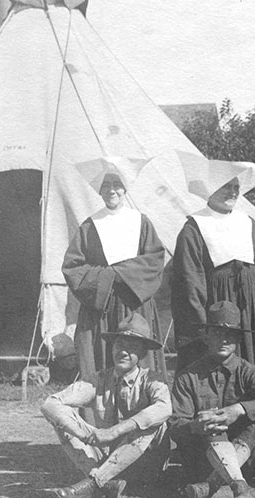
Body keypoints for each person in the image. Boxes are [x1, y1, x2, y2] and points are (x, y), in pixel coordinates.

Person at [171, 151, 255, 376]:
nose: (233, 192)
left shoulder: (248, 222)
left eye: (236, 188)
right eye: (227, 186)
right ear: (211, 188)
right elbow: (190, 280)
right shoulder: (194, 227)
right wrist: (202, 326)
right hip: (219, 303)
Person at [41, 313, 171, 498]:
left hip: (145, 463)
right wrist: (89, 435)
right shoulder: (99, 379)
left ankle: (94, 483)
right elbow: (50, 404)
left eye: (132, 347)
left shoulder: (153, 380)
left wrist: (115, 431)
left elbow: (164, 409)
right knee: (62, 421)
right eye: (119, 345)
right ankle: (108, 484)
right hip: (105, 458)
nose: (123, 352)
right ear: (112, 347)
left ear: (142, 354)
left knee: (151, 422)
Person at [63, 157, 167, 378]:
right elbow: (73, 267)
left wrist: (121, 273)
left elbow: (155, 259)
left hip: (134, 300)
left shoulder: (141, 221)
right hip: (102, 304)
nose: (112, 190)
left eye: (117, 185)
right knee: (103, 357)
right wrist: (106, 277)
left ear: (125, 189)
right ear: (99, 191)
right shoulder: (90, 225)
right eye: (106, 185)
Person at [169, 301, 255, 498]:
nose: (223, 340)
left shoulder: (248, 371)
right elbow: (175, 423)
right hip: (202, 460)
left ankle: (211, 486)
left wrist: (237, 410)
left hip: (244, 456)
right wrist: (196, 426)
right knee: (212, 424)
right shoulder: (188, 376)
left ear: (238, 339)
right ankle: (240, 488)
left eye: (230, 335)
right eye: (217, 333)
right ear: (205, 336)